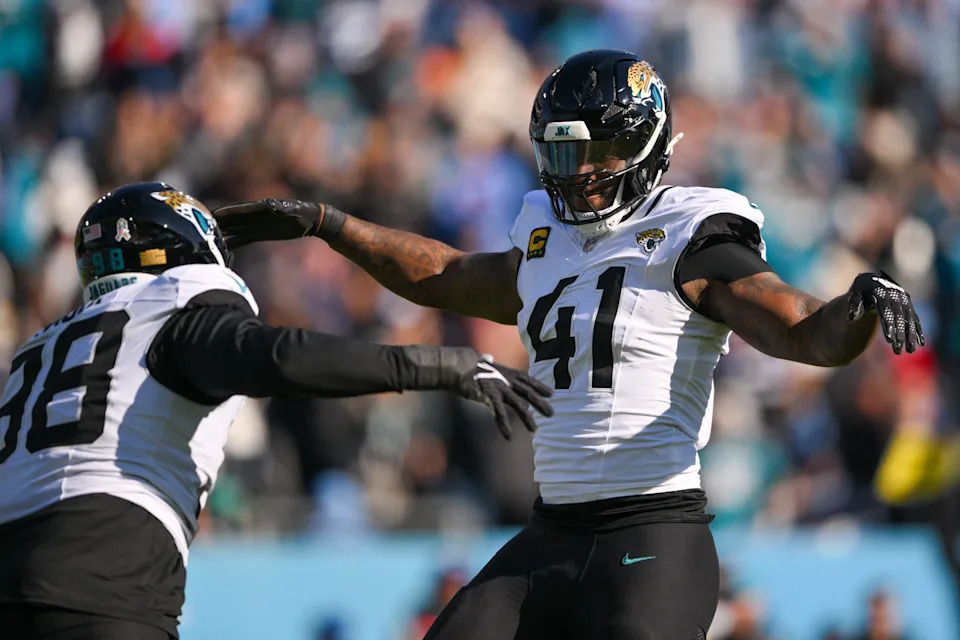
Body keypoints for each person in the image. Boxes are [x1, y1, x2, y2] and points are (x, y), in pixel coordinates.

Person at [214, 50, 924, 639]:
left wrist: (854, 307)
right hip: (551, 533)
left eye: (599, 150)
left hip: (653, 534)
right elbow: (445, 275)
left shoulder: (693, 232)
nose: (580, 169)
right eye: (565, 149)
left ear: (646, 144)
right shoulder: (546, 239)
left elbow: (802, 328)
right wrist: (329, 223)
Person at [0, 182, 552, 640]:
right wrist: (438, 366)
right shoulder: (173, 304)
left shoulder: (41, 345)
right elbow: (282, 358)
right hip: (106, 564)